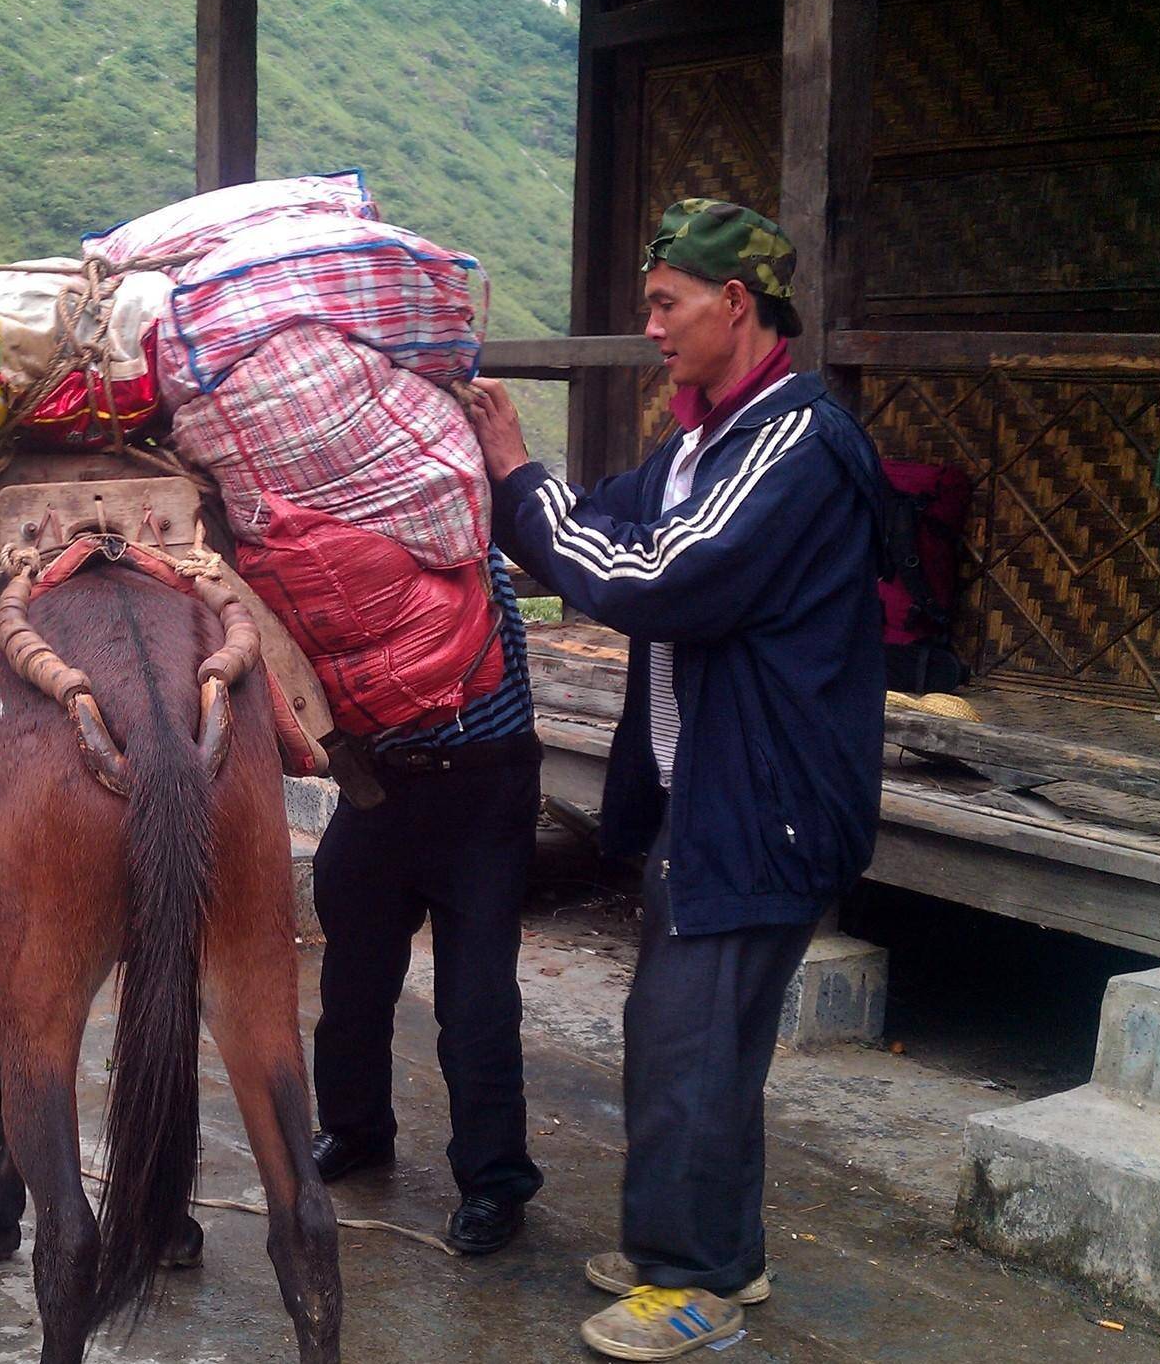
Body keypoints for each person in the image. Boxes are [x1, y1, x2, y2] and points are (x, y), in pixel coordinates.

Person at [460, 200, 885, 1360]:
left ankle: (687, 1282)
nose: (649, 326)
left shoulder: (793, 444)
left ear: (731, 304)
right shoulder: (708, 441)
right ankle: (718, 1252)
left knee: (688, 1040)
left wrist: (513, 476)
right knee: (700, 1035)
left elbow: (650, 576)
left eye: (664, 304)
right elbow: (602, 522)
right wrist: (516, 496)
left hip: (766, 800)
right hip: (712, 794)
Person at [308, 553, 545, 1255]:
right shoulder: (336, 549)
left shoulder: (454, 533)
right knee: (351, 981)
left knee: (476, 1004)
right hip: (379, 789)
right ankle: (355, 1130)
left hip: (483, 788)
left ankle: (494, 1182)